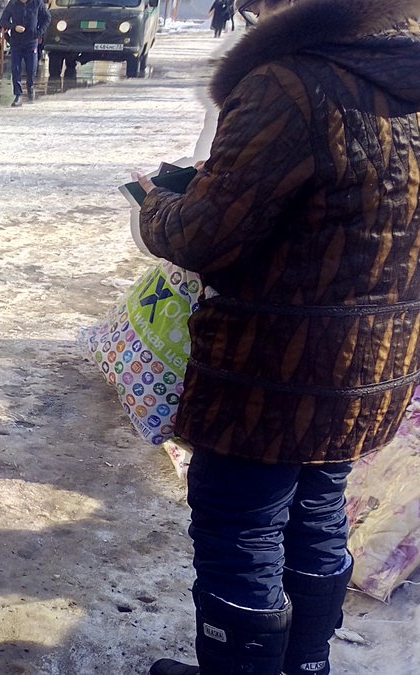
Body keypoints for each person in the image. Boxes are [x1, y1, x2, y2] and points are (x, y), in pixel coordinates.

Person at [134, 1, 420, 673]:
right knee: (317, 510)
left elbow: (205, 233)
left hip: (273, 375)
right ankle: (305, 664)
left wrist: (156, 204)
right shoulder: (404, 75)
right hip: (378, 361)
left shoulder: (289, 87)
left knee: (242, 528)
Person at [0, 0, 50, 105]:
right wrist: (14, 27)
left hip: (31, 42)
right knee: (16, 69)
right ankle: (18, 95)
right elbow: (3, 21)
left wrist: (39, 32)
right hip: (16, 42)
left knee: (31, 69)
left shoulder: (37, 3)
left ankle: (30, 87)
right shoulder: (13, 4)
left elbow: (47, 18)